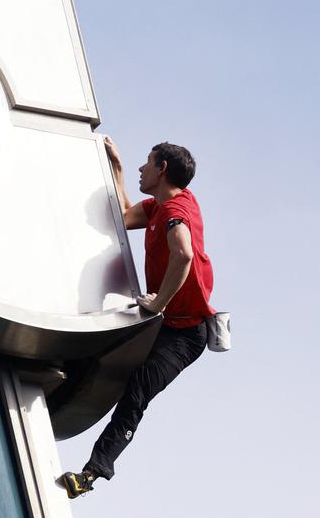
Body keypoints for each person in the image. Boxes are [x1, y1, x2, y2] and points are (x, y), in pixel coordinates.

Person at [59, 138, 215, 499]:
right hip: (162, 320)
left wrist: (159, 302)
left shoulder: (177, 210)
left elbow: (184, 255)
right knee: (101, 351)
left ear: (162, 169)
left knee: (137, 392)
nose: (143, 168)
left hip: (186, 334)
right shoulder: (159, 207)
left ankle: (91, 474)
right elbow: (125, 215)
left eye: (147, 162)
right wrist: (117, 168)